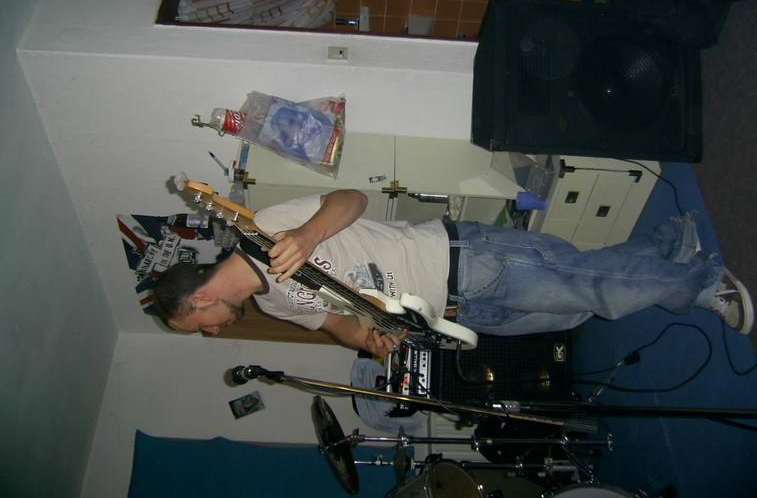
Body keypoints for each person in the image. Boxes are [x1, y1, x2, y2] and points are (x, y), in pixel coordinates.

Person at [153, 189, 754, 357]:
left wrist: (307, 236)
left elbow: (352, 200)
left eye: (200, 325)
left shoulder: (266, 228)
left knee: (594, 287)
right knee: (576, 308)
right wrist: (366, 338)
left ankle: (706, 284)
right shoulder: (273, 305)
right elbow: (334, 322)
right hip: (452, 313)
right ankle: (669, 243)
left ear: (198, 300)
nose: (215, 331)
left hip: (461, 261)